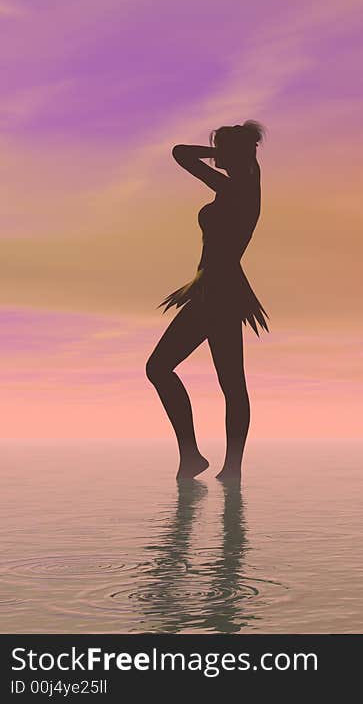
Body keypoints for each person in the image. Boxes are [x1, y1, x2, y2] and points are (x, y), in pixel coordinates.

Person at [146, 120, 268, 479]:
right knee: (219, 380)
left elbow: (179, 153)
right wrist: (227, 152)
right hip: (212, 288)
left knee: (221, 381)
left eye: (221, 150)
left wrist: (225, 153)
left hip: (221, 292)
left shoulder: (237, 189)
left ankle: (220, 464)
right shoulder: (240, 183)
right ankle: (207, 460)